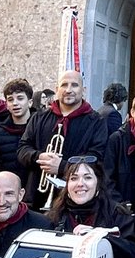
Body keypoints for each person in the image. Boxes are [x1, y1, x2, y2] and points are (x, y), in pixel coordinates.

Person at [18, 70, 109, 210]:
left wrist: (62, 166)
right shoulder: (38, 118)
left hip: (76, 201)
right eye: (64, 85)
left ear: (83, 90)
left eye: (74, 85)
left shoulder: (96, 121)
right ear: (57, 89)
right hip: (36, 199)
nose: (68, 90)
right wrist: (39, 157)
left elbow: (96, 159)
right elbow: (22, 149)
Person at [0, 78, 34, 187]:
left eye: (20, 98)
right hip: (6, 189)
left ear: (30, 102)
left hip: (34, 190)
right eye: (10, 99)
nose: (15, 103)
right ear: (6, 105)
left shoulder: (39, 130)